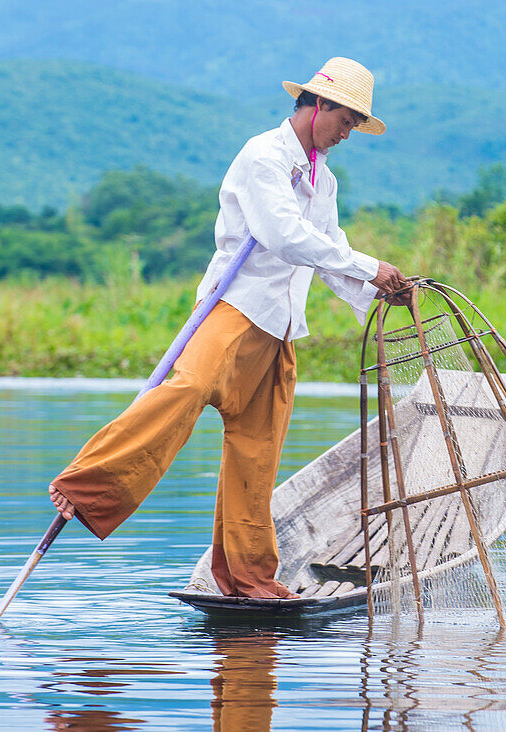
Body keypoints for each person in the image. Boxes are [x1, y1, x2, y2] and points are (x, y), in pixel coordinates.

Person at [47, 57, 409, 599]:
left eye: (357, 124)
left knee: (256, 453)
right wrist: (367, 266)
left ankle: (248, 577)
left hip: (280, 327)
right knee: (187, 388)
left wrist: (374, 286)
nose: (347, 132)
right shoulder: (263, 155)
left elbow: (327, 255)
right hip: (234, 309)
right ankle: (88, 485)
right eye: (345, 119)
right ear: (319, 105)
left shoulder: (322, 179)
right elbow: (283, 236)